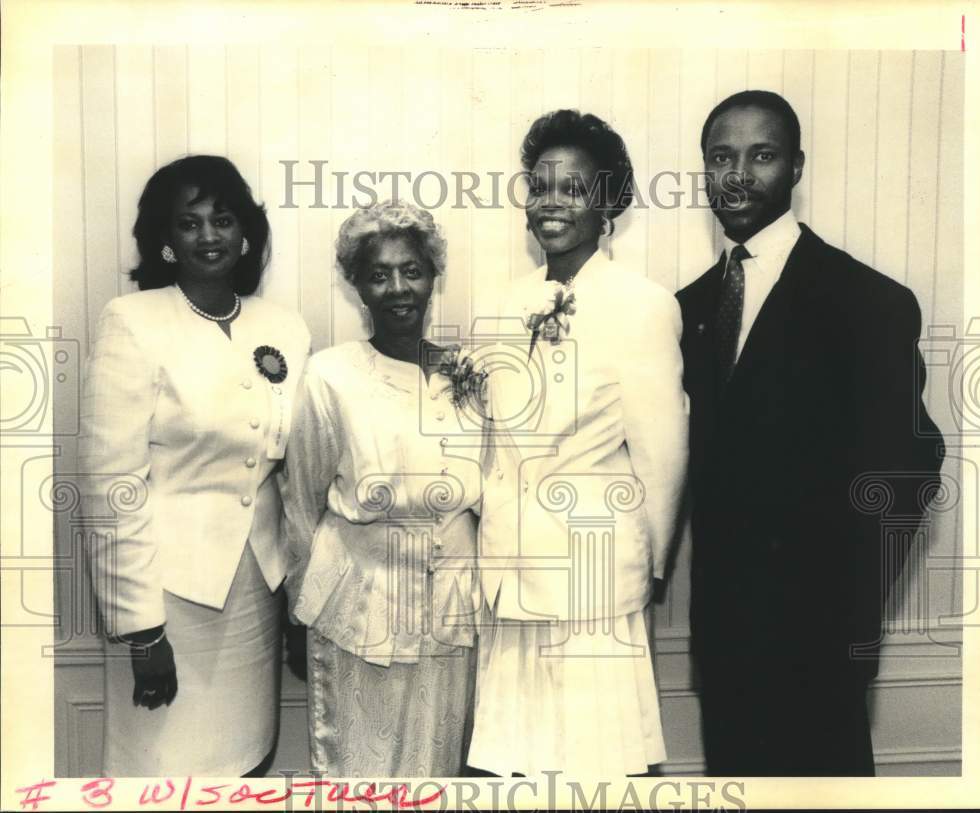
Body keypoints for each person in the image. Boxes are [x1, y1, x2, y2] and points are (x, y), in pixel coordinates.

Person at [677, 90, 944, 776]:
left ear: (796, 166)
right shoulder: (689, 309)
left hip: (821, 648)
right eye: (720, 157)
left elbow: (909, 468)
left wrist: (848, 613)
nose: (737, 174)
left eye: (760, 155)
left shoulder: (867, 301)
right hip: (724, 645)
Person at [467, 109, 689, 776]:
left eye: (572, 188)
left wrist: (645, 571)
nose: (550, 202)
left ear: (608, 203)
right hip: (509, 572)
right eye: (539, 186)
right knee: (518, 764)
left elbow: (662, 452)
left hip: (593, 578)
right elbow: (489, 444)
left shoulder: (642, 304)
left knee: (594, 764)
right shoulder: (501, 303)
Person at [79, 155, 311, 776]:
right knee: (164, 769)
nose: (209, 236)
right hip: (169, 599)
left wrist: (295, 601)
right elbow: (111, 487)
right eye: (190, 223)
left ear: (245, 234)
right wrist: (141, 628)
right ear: (165, 239)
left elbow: (291, 475)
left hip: (257, 591)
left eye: (223, 219)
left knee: (245, 760)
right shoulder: (133, 321)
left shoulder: (284, 328)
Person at [280, 200, 482, 777]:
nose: (398, 288)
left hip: (452, 611)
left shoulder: (470, 373)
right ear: (357, 287)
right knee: (358, 770)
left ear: (433, 278)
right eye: (378, 274)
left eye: (412, 271)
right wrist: (298, 610)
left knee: (437, 769)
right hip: (358, 606)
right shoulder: (330, 375)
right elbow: (300, 502)